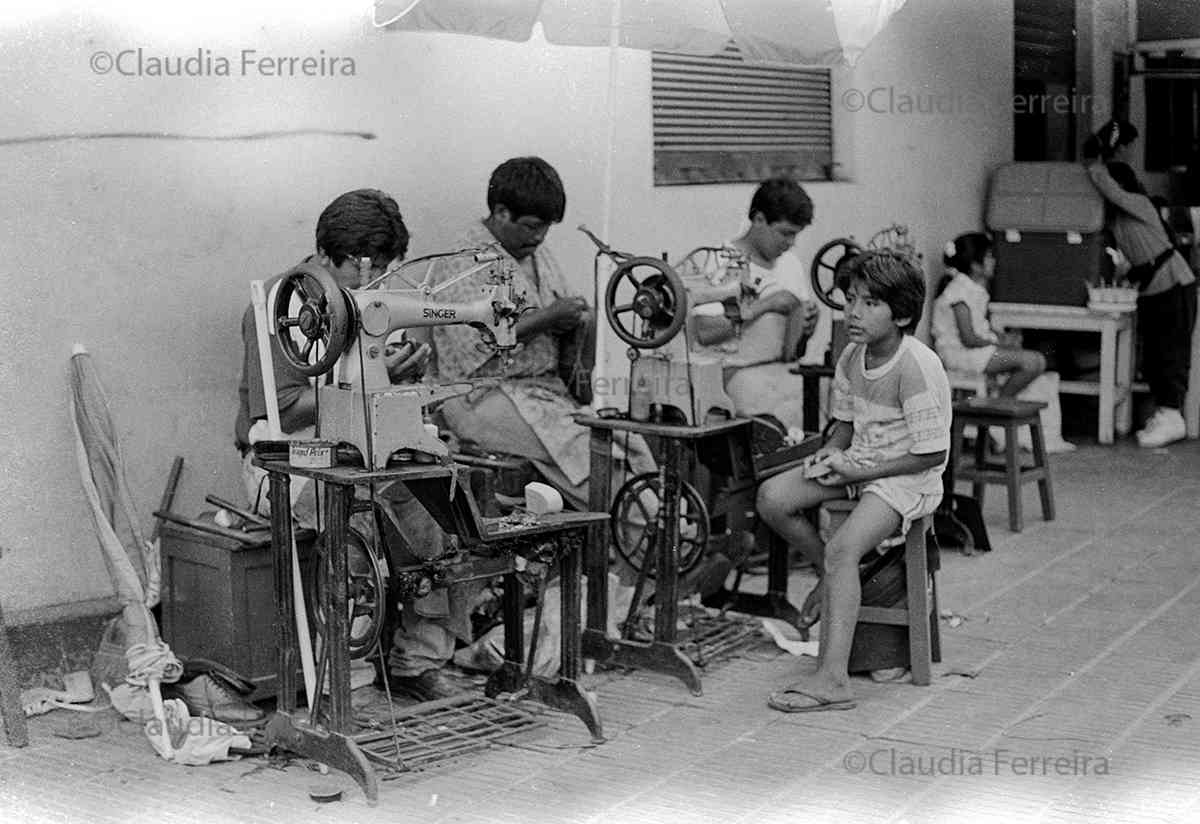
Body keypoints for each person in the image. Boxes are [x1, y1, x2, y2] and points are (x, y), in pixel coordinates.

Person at [234, 189, 466, 702]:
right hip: (287, 460)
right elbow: (282, 409)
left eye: (383, 267)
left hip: (357, 448)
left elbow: (372, 390)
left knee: (440, 504)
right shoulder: (278, 305)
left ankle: (417, 659)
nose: (374, 279)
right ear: (325, 254)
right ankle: (348, 677)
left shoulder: (368, 298)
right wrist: (369, 385)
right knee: (358, 514)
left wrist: (402, 374)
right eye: (366, 267)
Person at [755, 250, 951, 712]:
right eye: (851, 300)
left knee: (844, 548)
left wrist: (860, 471)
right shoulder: (851, 356)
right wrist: (832, 451)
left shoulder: (915, 365)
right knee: (772, 498)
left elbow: (932, 453)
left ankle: (833, 680)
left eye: (870, 303)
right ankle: (833, 576)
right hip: (860, 462)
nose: (854, 312)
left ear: (902, 314)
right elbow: (844, 425)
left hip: (907, 478)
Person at [416, 157, 655, 509]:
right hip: (479, 395)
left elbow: (559, 313)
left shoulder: (534, 254)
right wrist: (547, 318)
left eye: (546, 228)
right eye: (531, 226)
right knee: (589, 458)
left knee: (626, 441)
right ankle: (644, 530)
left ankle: (665, 524)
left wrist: (575, 319)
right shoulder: (463, 261)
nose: (540, 236)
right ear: (501, 212)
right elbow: (475, 346)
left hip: (542, 392)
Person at [1084, 120, 1197, 448]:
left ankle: (1172, 416)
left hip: (1174, 283)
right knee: (1154, 357)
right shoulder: (1118, 222)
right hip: (1153, 288)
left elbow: (1109, 187)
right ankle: (1165, 415)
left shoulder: (1139, 204)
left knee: (1171, 355)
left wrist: (1095, 162)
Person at [681, 176, 821, 429]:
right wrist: (764, 306)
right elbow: (705, 332)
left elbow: (794, 352)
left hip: (781, 371)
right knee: (776, 422)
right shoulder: (721, 261)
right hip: (735, 375)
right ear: (758, 219)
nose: (791, 243)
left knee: (825, 399)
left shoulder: (790, 264)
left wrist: (806, 328)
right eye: (785, 233)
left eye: (796, 235)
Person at [932, 232, 1046, 397]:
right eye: (989, 256)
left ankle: (1000, 400)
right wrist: (999, 342)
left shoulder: (973, 290)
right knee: (1033, 362)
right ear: (975, 265)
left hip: (975, 352)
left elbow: (981, 328)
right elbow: (969, 338)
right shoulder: (958, 293)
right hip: (961, 355)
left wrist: (1003, 338)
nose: (993, 261)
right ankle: (1000, 403)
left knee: (1032, 358)